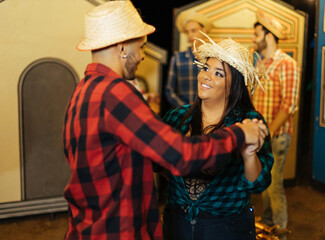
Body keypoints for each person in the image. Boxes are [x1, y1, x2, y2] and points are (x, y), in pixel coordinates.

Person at [62, 1, 268, 239]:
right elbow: (181, 155)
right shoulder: (117, 94)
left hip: (89, 225)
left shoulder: (82, 91)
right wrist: (240, 134)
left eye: (219, 73)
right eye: (141, 47)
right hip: (116, 230)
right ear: (122, 48)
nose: (141, 56)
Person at [160, 33, 274, 240]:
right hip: (177, 226)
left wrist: (249, 154)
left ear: (233, 86)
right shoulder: (177, 118)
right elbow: (162, 164)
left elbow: (258, 184)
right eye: (205, 68)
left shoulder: (249, 122)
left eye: (219, 74)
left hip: (227, 230)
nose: (206, 76)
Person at [252, 10, 300, 234]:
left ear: (268, 36)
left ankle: (280, 232)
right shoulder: (262, 63)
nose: (254, 39)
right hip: (263, 134)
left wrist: (268, 132)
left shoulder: (286, 64)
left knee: (274, 186)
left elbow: (289, 105)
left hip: (277, 136)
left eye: (256, 34)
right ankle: (269, 226)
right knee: (264, 184)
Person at [164, 10, 213, 108]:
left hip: (210, 111)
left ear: (203, 30)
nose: (190, 35)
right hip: (185, 113)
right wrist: (185, 108)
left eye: (193, 30)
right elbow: (169, 90)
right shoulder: (178, 58)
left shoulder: (213, 58)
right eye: (187, 32)